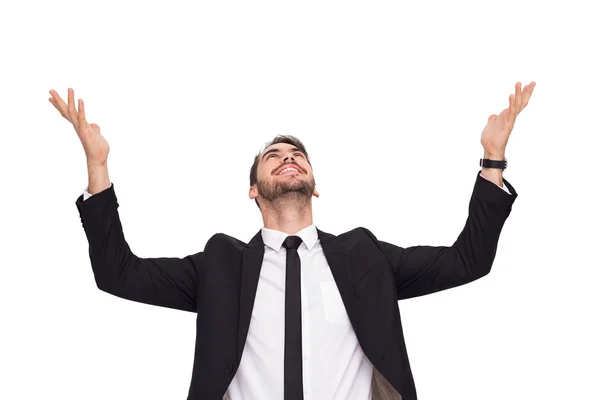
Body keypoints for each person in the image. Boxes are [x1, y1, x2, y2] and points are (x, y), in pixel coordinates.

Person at [49, 82, 535, 400]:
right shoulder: (220, 265)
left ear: (315, 183)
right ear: (254, 190)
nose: (288, 157)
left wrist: (493, 160)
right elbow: (118, 273)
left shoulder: (364, 256)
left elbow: (468, 261)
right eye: (273, 155)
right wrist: (98, 169)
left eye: (297, 154)